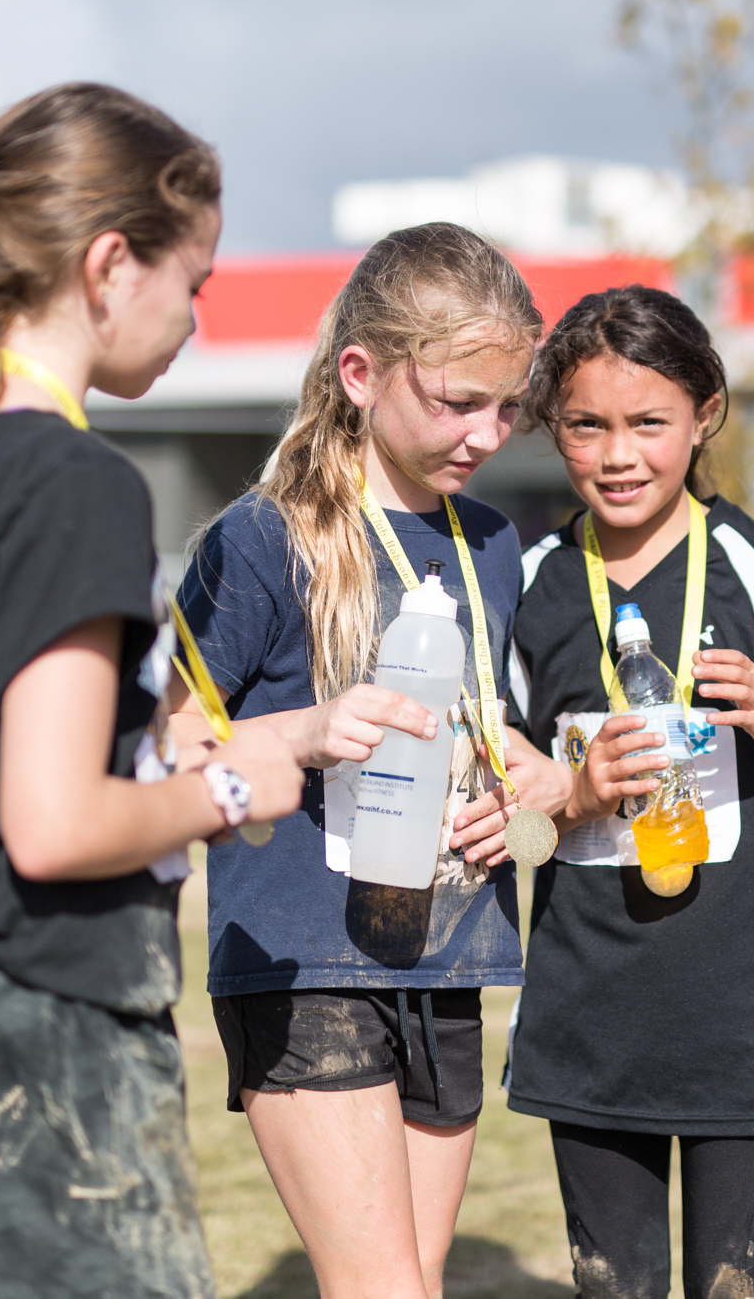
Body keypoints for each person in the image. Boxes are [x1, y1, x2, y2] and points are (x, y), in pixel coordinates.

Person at [0, 83, 303, 1297]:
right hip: (29, 1027)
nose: (197, 317)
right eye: (191, 282)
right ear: (108, 264)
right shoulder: (78, 482)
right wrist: (239, 784)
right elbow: (54, 824)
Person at [173, 221, 567, 1299]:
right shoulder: (259, 538)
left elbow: (499, 732)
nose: (487, 433)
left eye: (506, 406)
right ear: (360, 373)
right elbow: (167, 746)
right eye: (455, 402)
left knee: (413, 1282)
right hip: (305, 960)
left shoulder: (490, 540)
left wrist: (528, 788)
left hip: (449, 951)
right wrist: (302, 731)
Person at [503, 285, 754, 1299]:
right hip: (587, 1011)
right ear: (553, 425)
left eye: (647, 422)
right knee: (611, 1285)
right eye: (586, 425)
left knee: (737, 1286)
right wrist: (575, 795)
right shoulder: (530, 585)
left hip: (742, 1016)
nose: (617, 453)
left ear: (703, 413)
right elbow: (506, 805)